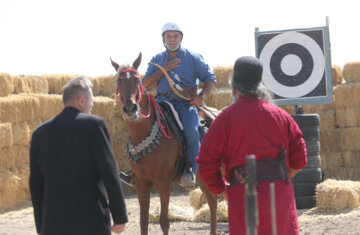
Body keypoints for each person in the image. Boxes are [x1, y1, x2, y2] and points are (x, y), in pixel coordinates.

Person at [196, 56, 307, 235]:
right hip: (279, 193)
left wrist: (223, 191)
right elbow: (300, 158)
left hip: (242, 195)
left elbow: (206, 164)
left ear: (233, 88)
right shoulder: (282, 116)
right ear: (260, 85)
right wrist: (282, 177)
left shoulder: (224, 119)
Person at [120, 22, 216, 188]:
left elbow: (210, 78)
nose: (172, 39)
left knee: (191, 131)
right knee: (143, 128)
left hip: (185, 104)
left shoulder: (193, 57)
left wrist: (202, 96)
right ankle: (136, 171)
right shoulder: (157, 59)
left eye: (175, 36)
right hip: (162, 103)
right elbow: (146, 84)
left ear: (181, 38)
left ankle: (192, 170)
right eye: (168, 36)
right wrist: (163, 69)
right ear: (163, 39)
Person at [29, 76, 128, 235]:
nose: (92, 105)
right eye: (91, 101)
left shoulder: (39, 134)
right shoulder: (94, 126)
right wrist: (120, 217)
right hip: (91, 223)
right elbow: (109, 174)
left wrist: (41, 226)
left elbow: (36, 185)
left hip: (53, 226)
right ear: (81, 100)